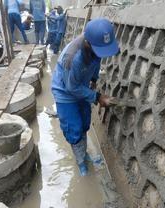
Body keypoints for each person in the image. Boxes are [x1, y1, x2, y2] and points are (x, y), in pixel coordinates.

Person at [51, 18, 120, 176]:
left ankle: (83, 151)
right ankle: (81, 160)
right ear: (88, 44)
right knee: (73, 128)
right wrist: (97, 97)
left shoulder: (96, 47)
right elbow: (71, 87)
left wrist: (94, 80)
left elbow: (96, 64)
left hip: (81, 86)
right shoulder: (73, 58)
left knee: (84, 123)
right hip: (65, 92)